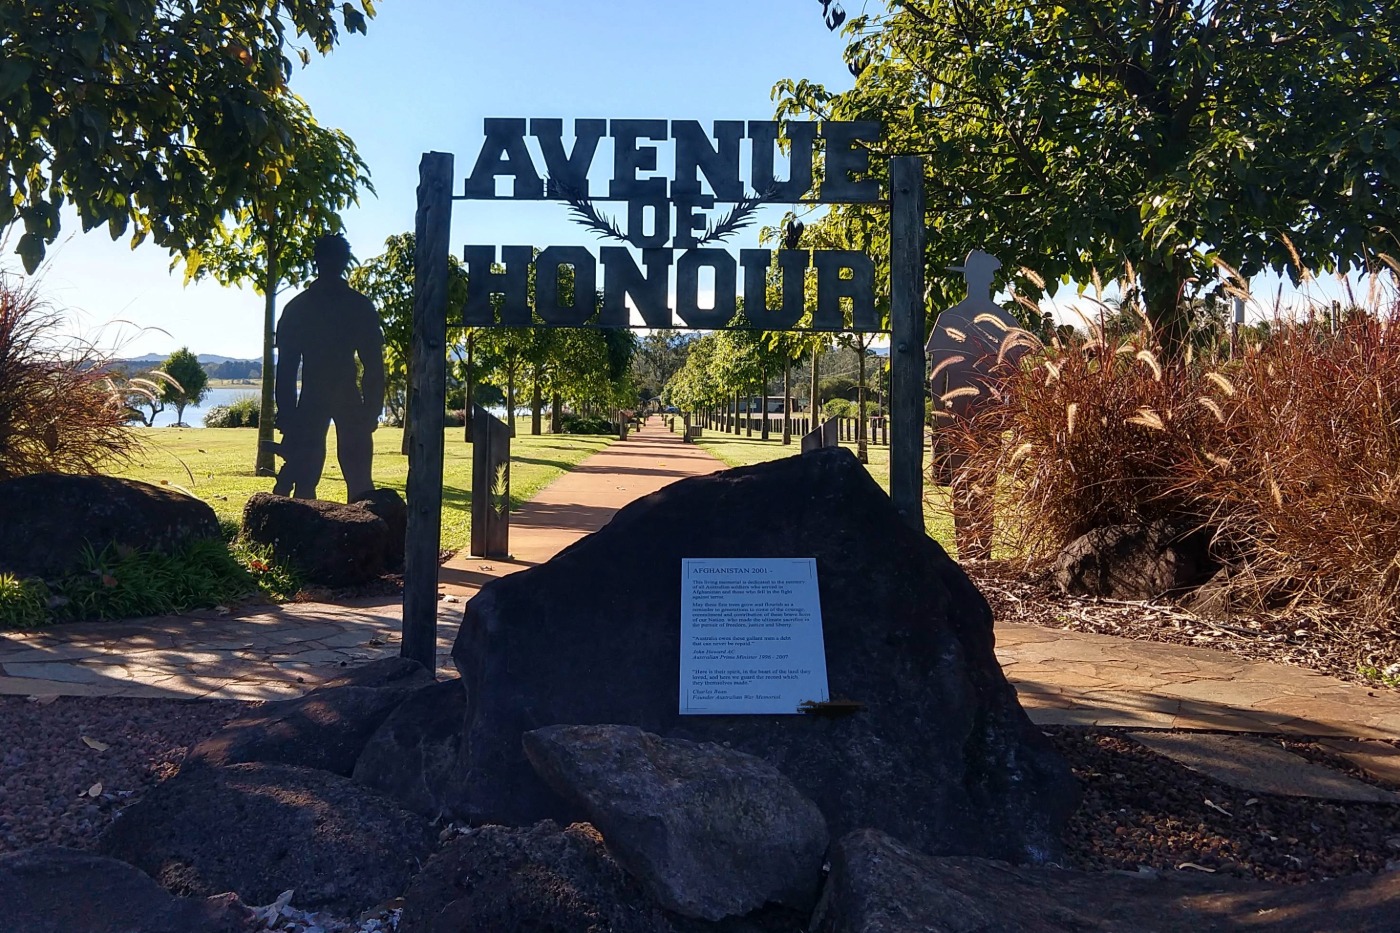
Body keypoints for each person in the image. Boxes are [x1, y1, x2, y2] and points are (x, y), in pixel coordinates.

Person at [925, 250, 1024, 560]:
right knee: (979, 483)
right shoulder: (1004, 321)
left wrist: (940, 415)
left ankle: (973, 552)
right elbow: (1015, 376)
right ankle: (977, 552)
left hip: (964, 416)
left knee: (969, 484)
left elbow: (935, 376)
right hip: (980, 416)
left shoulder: (950, 318)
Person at [272, 233, 385, 501]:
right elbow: (374, 367)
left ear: (316, 262)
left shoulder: (298, 308)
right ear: (346, 262)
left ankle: (302, 534)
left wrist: (287, 414)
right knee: (357, 482)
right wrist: (371, 409)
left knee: (307, 481)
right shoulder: (359, 306)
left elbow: (286, 370)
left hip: (314, 398)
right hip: (347, 397)